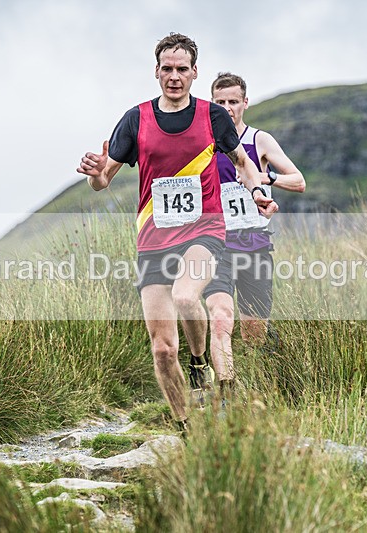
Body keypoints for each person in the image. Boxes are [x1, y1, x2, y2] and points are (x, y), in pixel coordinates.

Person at [76, 35, 277, 431]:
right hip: (153, 240)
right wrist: (95, 173)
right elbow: (102, 181)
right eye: (167, 69)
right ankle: (187, 428)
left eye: (182, 69)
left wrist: (257, 192)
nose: (174, 76)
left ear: (194, 73)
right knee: (163, 349)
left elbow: (242, 162)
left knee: (186, 296)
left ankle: (200, 362)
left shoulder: (212, 116)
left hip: (204, 231)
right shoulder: (136, 119)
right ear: (156, 71)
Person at [203, 72, 305, 400]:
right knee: (220, 318)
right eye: (220, 102)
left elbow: (299, 181)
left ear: (245, 103)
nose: (227, 108)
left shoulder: (259, 140)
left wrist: (264, 177)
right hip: (215, 245)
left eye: (233, 101)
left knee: (254, 331)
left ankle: (262, 387)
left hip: (254, 245)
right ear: (211, 103)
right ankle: (226, 396)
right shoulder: (203, 143)